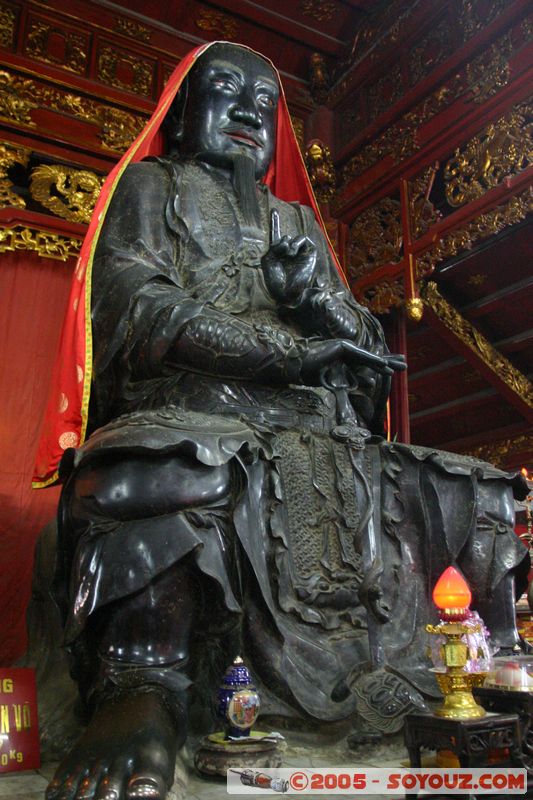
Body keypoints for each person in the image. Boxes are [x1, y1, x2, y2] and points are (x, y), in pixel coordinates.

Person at [34, 42, 528, 800]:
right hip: (198, 413)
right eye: (225, 93)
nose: (244, 113)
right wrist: (280, 351)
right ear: (180, 115)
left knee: (477, 491)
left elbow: (362, 355)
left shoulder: (293, 219)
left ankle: (487, 679)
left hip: (316, 431)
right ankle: (145, 683)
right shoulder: (149, 188)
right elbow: (138, 309)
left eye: (263, 106)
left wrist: (315, 300)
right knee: (151, 469)